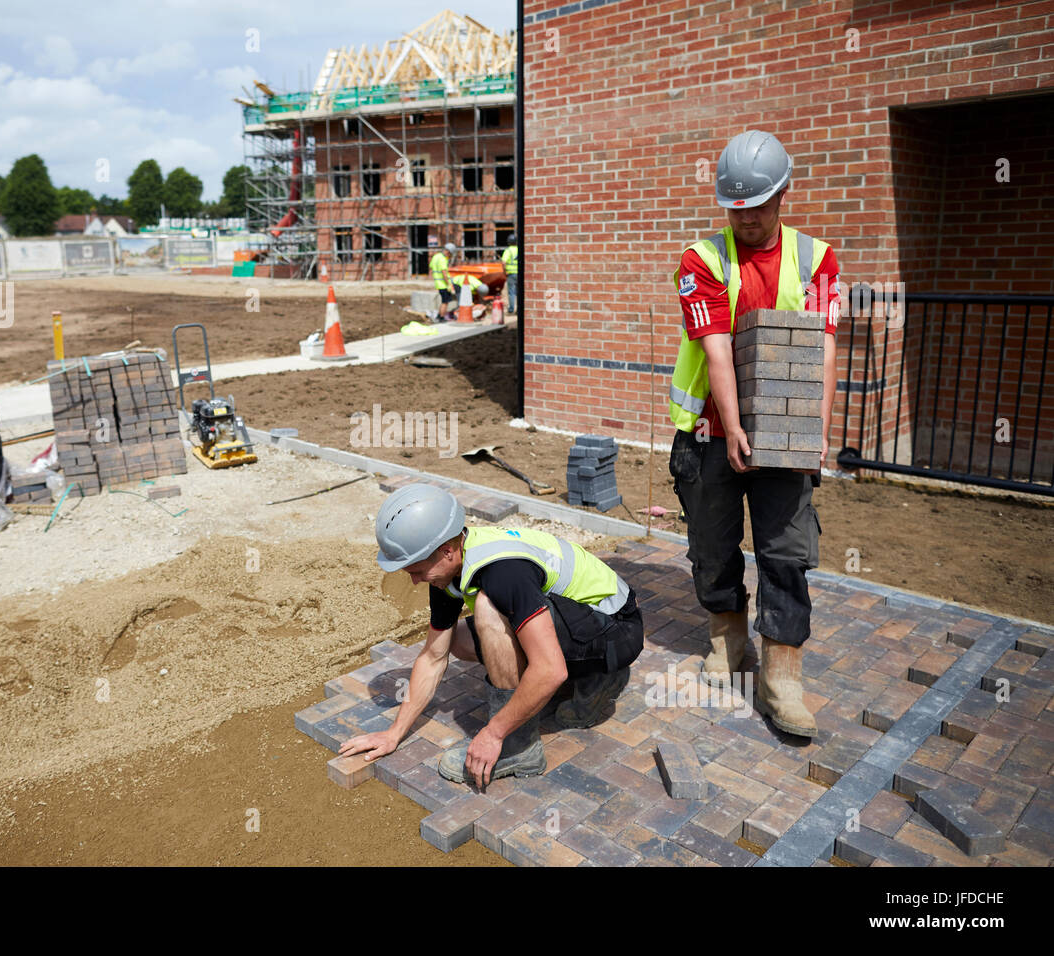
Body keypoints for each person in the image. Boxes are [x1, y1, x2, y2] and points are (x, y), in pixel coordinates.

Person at [667, 129, 841, 738]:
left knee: (786, 555)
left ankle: (782, 677)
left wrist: (816, 429)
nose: (745, 218)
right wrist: (735, 426)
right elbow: (716, 351)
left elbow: (821, 346)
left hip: (787, 438)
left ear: (783, 194)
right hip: (712, 435)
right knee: (711, 549)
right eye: (734, 208)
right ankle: (728, 640)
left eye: (757, 206)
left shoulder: (815, 258)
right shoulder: (703, 259)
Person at [339, 484, 644, 787]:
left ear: (447, 551)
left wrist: (494, 732)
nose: (416, 581)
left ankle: (519, 747)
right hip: (585, 620)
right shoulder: (451, 566)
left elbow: (551, 670)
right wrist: (393, 734)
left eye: (417, 571)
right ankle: (586, 679)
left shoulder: (504, 572)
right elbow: (433, 657)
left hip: (617, 630)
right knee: (457, 639)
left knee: (487, 608)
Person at [429, 242, 458, 322]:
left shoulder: (436, 256)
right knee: (445, 302)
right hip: (443, 284)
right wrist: (449, 284)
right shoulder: (442, 259)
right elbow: (444, 273)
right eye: (450, 254)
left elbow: (431, 266)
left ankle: (439, 315)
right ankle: (441, 317)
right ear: (448, 252)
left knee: (443, 301)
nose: (450, 256)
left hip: (438, 283)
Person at [501, 233, 518, 315]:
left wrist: (504, 272)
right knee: (519, 292)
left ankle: (511, 309)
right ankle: (519, 309)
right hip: (520, 274)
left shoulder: (508, 250)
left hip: (511, 274)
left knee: (511, 292)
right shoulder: (519, 249)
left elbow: (503, 262)